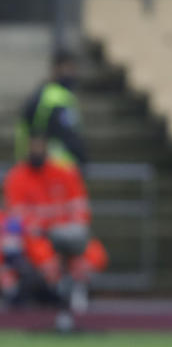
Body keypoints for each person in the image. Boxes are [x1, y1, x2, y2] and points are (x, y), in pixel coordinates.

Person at [4, 136, 108, 327]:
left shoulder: (64, 174)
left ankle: (77, 290)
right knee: (43, 255)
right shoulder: (17, 177)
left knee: (93, 253)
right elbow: (19, 218)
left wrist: (70, 230)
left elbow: (81, 211)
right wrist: (44, 228)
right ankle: (56, 293)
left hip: (67, 234)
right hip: (38, 236)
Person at [16, 50, 87, 170]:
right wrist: (82, 157)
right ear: (56, 68)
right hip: (55, 167)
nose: (73, 73)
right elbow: (68, 135)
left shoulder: (49, 94)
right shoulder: (54, 97)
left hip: (53, 168)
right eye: (68, 68)